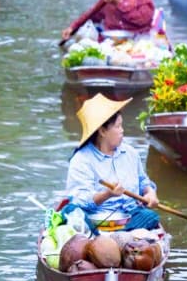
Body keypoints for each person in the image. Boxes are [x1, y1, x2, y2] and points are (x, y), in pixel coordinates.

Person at [65, 94, 161, 232]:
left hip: (128, 217)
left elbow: (143, 181)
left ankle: (119, 237)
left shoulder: (130, 153)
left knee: (150, 217)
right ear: (102, 131)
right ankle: (103, 240)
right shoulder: (81, 160)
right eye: (118, 126)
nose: (122, 130)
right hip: (96, 219)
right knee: (74, 213)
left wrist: (150, 193)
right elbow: (79, 199)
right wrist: (107, 194)